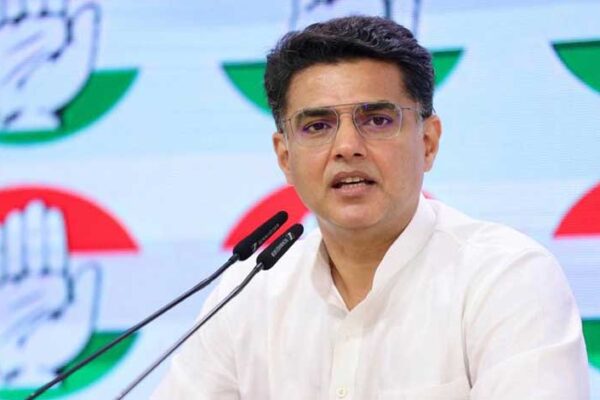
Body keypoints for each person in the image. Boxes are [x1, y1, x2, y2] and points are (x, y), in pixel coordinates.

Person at [153, 16, 589, 399]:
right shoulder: (248, 293)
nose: (347, 146)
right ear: (285, 157)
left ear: (428, 141)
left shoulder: (506, 277)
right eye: (317, 126)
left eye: (377, 120)